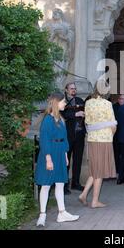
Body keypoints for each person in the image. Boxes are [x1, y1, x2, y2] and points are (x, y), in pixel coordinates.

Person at [34, 93, 80, 227]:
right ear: (56, 103)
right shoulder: (48, 120)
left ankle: (62, 213)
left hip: (60, 153)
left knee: (60, 184)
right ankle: (42, 215)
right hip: (50, 154)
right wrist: (48, 159)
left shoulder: (61, 119)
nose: (65, 103)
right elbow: (44, 140)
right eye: (63, 101)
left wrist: (65, 155)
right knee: (46, 185)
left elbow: (65, 138)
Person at [78, 80, 117, 208]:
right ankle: (95, 201)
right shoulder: (107, 104)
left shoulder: (88, 102)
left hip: (91, 139)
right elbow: (113, 124)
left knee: (95, 168)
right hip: (104, 140)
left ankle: (83, 194)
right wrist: (111, 134)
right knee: (99, 171)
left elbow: (87, 122)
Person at [60, 82, 86, 194]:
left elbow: (86, 112)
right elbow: (61, 114)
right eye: (71, 89)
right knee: (66, 161)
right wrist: (75, 114)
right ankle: (64, 186)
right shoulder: (62, 101)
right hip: (67, 135)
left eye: (75, 89)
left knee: (78, 160)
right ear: (66, 90)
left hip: (80, 135)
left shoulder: (80, 100)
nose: (73, 90)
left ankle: (75, 183)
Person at [112, 94, 124, 172]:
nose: (122, 100)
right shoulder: (114, 107)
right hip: (116, 133)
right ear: (118, 99)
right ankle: (117, 168)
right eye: (120, 99)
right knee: (116, 151)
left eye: (123, 99)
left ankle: (123, 167)